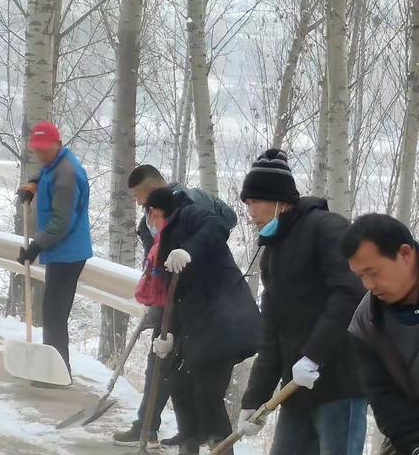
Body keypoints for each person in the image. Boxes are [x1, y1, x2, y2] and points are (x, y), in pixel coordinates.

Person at [237, 148, 367, 455]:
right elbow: (271, 331)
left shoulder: (327, 229)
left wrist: (313, 356)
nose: (250, 212)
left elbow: (351, 294)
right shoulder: (272, 252)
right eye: (247, 203)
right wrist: (253, 402)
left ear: (280, 201)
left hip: (339, 382)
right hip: (295, 389)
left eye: (255, 202)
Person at [112, 165, 237, 449]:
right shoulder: (150, 218)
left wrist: (187, 255)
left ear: (153, 189)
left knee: (173, 366)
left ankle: (160, 429)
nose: (138, 202)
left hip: (198, 301)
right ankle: (165, 428)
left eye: (139, 195)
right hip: (173, 297)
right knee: (166, 363)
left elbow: (215, 231)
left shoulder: (189, 205)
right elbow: (154, 258)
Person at [146, 187, 261, 455]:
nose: (150, 224)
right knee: (179, 382)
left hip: (226, 323)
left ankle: (219, 447)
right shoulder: (167, 240)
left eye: (149, 217)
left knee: (207, 392)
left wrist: (188, 250)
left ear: (154, 212)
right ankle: (190, 444)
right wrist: (169, 334)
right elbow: (176, 294)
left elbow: (216, 227)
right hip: (200, 325)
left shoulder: (188, 214)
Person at [16, 121, 92, 387]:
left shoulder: (67, 174)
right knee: (52, 311)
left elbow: (61, 223)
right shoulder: (57, 163)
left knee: (54, 313)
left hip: (68, 252)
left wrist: (36, 246)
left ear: (56, 144)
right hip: (62, 249)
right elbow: (46, 170)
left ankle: (57, 373)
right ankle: (57, 369)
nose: (40, 155)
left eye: (43, 150)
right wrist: (34, 183)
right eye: (36, 150)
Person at [342, 214, 419, 455]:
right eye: (360, 276)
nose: (368, 285)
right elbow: (384, 398)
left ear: (405, 254)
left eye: (372, 272)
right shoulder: (365, 324)